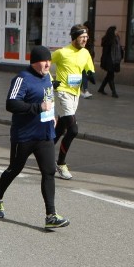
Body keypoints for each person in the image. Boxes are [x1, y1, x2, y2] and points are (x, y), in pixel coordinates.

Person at [0, 46, 69, 230]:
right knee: (14, 169)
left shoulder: (48, 77)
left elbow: (48, 99)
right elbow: (11, 103)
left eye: (49, 61)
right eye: (44, 61)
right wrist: (38, 108)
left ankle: (51, 215)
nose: (48, 64)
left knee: (49, 172)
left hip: (45, 135)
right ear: (34, 62)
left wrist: (52, 115)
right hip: (24, 135)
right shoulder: (22, 78)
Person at [51, 24, 95, 180]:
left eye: (86, 37)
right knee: (73, 130)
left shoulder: (85, 53)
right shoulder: (62, 53)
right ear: (75, 37)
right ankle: (61, 163)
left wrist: (90, 74)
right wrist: (51, 80)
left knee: (60, 129)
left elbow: (89, 67)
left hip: (75, 94)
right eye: (82, 37)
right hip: (62, 92)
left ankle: (43, 151)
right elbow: (43, 65)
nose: (85, 40)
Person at [97, 26, 123, 98]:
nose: (117, 32)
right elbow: (105, 52)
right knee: (111, 76)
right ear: (112, 32)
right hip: (109, 60)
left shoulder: (117, 39)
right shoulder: (108, 40)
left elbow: (119, 49)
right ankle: (114, 92)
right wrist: (104, 61)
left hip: (115, 60)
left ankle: (101, 88)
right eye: (116, 30)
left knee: (109, 75)